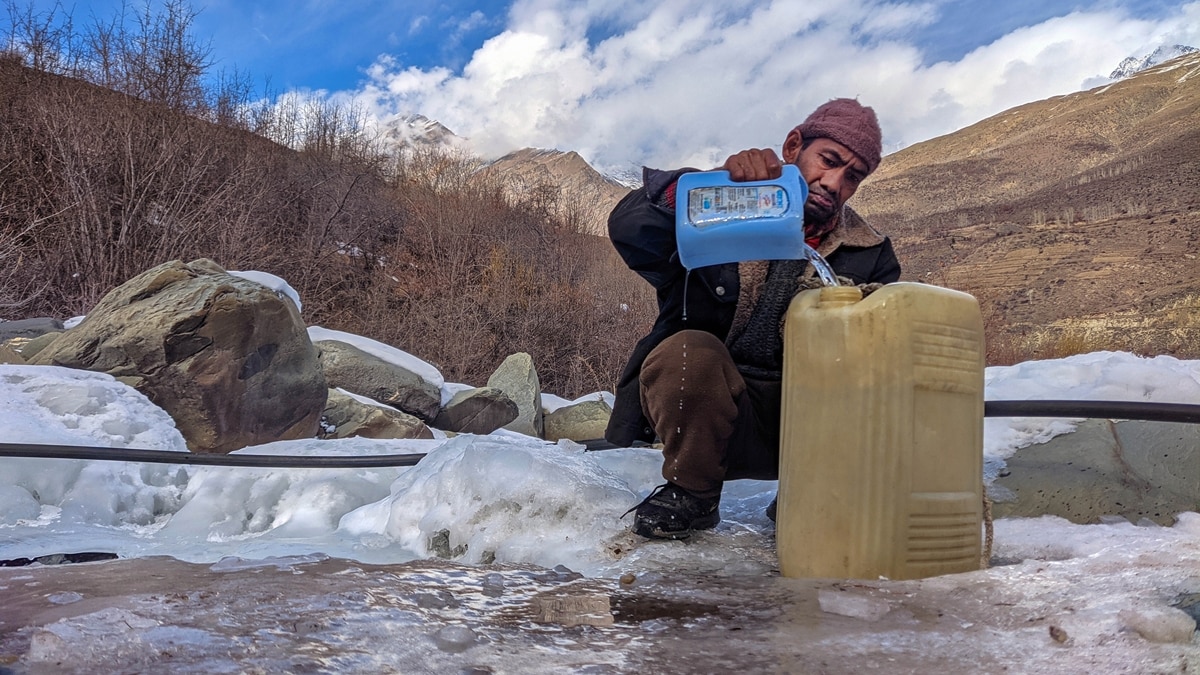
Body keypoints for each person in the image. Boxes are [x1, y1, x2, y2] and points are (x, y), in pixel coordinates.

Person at [606, 98, 902, 540]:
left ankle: (811, 491)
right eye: (829, 161)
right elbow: (629, 230)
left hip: (807, 427)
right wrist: (701, 187)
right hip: (708, 419)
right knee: (688, 353)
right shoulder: (716, 210)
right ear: (793, 145)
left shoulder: (872, 254)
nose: (834, 183)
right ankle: (693, 495)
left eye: (853, 177)